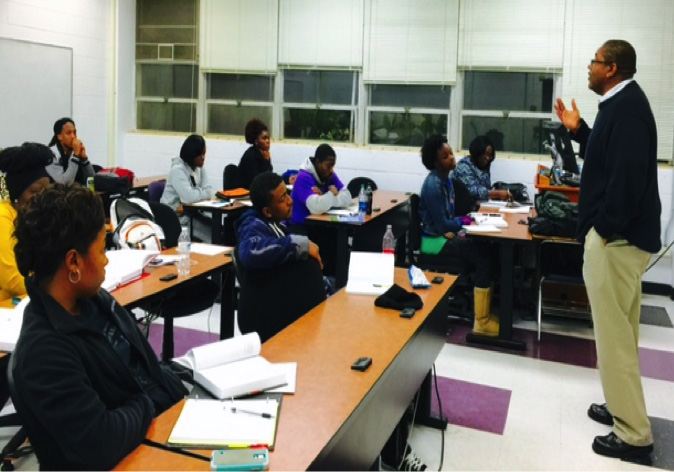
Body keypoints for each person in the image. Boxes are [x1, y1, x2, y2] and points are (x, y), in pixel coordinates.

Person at [11, 184, 187, 470]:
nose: (106, 260)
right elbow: (100, 443)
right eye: (102, 249)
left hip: (159, 431)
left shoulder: (96, 300)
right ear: (73, 262)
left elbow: (147, 370)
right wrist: (147, 403)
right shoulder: (44, 352)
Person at [554, 39, 660, 461]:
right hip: (622, 240)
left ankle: (634, 434)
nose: (589, 66)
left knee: (613, 339)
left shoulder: (629, 108)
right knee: (622, 334)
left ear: (611, 68)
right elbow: (608, 155)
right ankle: (621, 408)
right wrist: (578, 130)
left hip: (616, 241)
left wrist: (603, 230)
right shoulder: (620, 105)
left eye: (595, 61)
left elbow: (627, 180)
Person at [419, 135, 499, 336]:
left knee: (487, 247)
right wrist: (464, 222)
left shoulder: (445, 181)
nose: (452, 159)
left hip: (442, 236)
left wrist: (457, 226)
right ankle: (481, 322)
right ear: (436, 163)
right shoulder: (433, 186)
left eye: (451, 153)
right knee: (483, 255)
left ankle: (485, 313)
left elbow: (448, 221)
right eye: (446, 157)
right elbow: (443, 224)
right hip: (431, 243)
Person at [235, 172, 326, 341]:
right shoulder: (253, 225)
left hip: (284, 308)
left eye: (287, 194)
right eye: (283, 198)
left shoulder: (277, 225)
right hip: (267, 316)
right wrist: (300, 245)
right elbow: (249, 252)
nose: (290, 201)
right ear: (267, 211)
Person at [0, 143, 51, 301]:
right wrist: (55, 286)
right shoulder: (3, 218)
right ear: (17, 193)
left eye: (46, 190)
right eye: (34, 191)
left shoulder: (36, 216)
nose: (42, 197)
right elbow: (12, 282)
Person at [289, 143, 352, 225]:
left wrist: (325, 197)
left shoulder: (330, 175)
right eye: (328, 166)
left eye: (333, 166)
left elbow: (347, 197)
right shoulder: (303, 177)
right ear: (318, 162)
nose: (331, 170)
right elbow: (317, 208)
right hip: (300, 228)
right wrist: (332, 194)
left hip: (321, 225)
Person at [160, 134, 213, 226]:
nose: (203, 158)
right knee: (212, 235)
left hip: (191, 214)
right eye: (200, 155)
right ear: (192, 155)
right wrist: (199, 194)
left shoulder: (200, 167)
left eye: (204, 153)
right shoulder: (177, 170)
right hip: (176, 218)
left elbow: (208, 192)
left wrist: (194, 194)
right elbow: (189, 198)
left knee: (217, 229)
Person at [453, 135, 509, 207]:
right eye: (486, 154)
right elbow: (471, 191)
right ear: (478, 152)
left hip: (480, 206)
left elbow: (486, 189)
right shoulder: (464, 166)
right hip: (463, 209)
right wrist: (497, 194)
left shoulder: (483, 167)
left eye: (490, 155)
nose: (487, 158)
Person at [47, 117, 95, 185]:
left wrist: (84, 159)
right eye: (68, 133)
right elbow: (64, 183)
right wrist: (75, 157)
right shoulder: (52, 154)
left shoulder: (74, 153)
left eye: (74, 133)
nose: (73, 136)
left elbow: (91, 180)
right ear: (59, 136)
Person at [236, 118, 273, 189]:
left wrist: (286, 180)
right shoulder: (250, 156)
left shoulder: (264, 154)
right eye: (264, 138)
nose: (268, 141)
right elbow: (258, 182)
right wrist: (266, 161)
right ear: (256, 141)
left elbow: (270, 177)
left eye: (268, 138)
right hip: (244, 193)